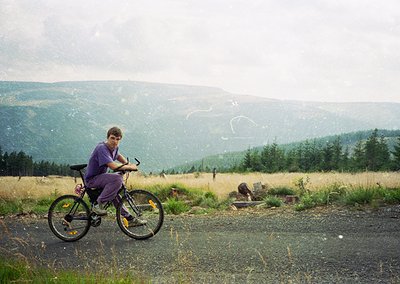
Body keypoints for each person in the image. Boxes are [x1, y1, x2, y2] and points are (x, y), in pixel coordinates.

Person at [84, 126, 146, 226]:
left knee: (115, 192)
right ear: (107, 137)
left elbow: (120, 158)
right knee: (117, 178)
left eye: (118, 139)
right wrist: (128, 167)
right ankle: (97, 205)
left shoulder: (114, 148)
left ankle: (129, 219)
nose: (115, 141)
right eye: (112, 138)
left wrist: (129, 165)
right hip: (92, 180)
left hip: (101, 177)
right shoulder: (102, 148)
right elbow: (113, 166)